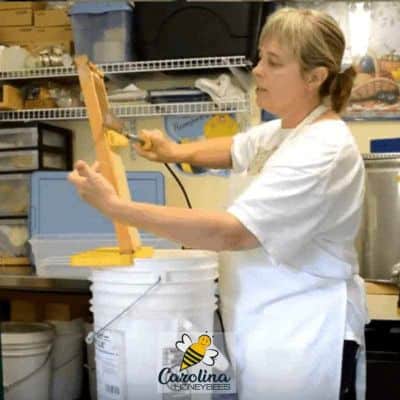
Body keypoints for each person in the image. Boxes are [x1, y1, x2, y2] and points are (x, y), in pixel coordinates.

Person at [69, 7, 368, 400]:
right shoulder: (286, 131)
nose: (258, 70)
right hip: (263, 326)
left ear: (315, 77)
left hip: (303, 339)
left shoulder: (322, 148)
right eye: (260, 57)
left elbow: (233, 232)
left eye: (273, 62)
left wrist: (118, 208)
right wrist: (174, 150)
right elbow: (234, 148)